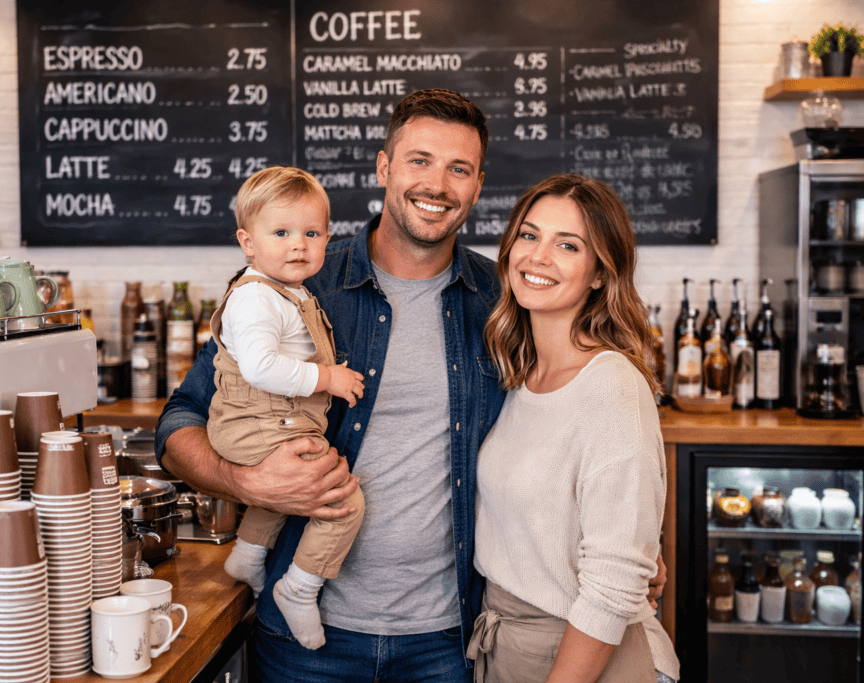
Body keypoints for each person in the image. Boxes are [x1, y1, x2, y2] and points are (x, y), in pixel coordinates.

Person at [156, 90, 664, 682]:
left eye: (459, 169)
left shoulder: (504, 302)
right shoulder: (299, 282)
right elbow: (180, 420)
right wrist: (246, 481)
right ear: (384, 167)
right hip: (305, 637)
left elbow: (584, 440)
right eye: (419, 160)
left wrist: (629, 554)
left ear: (477, 186)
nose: (437, 184)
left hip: (449, 641)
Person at [466, 174, 679, 683]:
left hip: (585, 655)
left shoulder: (611, 388)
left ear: (601, 274)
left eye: (568, 245)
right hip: (511, 643)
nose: (538, 258)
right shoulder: (522, 377)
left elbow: (614, 582)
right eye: (529, 235)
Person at [207, 166, 366, 651]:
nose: (298, 244)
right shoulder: (257, 297)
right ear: (247, 241)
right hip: (258, 420)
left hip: (268, 420)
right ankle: (299, 587)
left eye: (311, 233)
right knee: (340, 500)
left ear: (327, 238)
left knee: (283, 489)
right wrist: (328, 378)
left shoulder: (287, 292)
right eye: (281, 232)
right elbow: (258, 367)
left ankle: (248, 555)